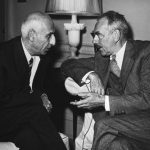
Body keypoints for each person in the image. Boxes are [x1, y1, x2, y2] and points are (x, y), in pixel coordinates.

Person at [61, 10, 150, 150]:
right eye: (93, 35)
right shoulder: (103, 57)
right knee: (117, 146)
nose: (94, 40)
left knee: (104, 124)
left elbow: (147, 99)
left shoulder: (146, 53)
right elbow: (68, 65)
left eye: (98, 35)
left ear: (116, 35)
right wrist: (92, 75)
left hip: (145, 120)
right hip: (125, 126)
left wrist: (103, 100)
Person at [0, 11, 67, 150]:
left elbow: (39, 87)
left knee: (31, 139)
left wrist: (42, 95)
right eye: (49, 36)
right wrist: (36, 100)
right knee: (36, 110)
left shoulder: (44, 57)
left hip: (22, 121)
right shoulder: (4, 55)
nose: (53, 42)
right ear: (31, 36)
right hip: (3, 117)